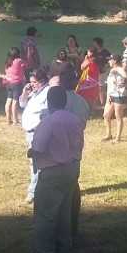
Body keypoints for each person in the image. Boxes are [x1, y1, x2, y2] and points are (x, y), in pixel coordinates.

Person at [26, 86, 84, 253]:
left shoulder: (48, 122)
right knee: (64, 210)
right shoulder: (75, 120)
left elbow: (38, 148)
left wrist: (30, 152)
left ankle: (45, 252)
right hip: (72, 168)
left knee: (46, 213)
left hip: (53, 171)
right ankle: (64, 247)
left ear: (49, 101)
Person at [49, 74, 87, 237]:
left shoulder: (63, 102)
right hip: (76, 145)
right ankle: (73, 225)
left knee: (59, 191)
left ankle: (60, 227)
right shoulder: (82, 101)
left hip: (60, 147)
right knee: (73, 185)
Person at [19, 68, 50, 204]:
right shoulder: (35, 92)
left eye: (34, 82)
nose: (31, 84)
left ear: (42, 81)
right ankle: (37, 190)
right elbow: (22, 104)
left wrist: (40, 127)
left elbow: (47, 112)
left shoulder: (47, 92)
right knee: (34, 162)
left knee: (36, 162)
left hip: (37, 131)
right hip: (30, 132)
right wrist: (25, 92)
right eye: (30, 81)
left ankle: (33, 191)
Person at [103, 54, 127, 143]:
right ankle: (108, 134)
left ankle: (118, 137)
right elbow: (109, 84)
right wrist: (107, 95)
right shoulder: (111, 71)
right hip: (111, 95)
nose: (108, 61)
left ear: (115, 61)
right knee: (106, 115)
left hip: (119, 95)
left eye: (110, 60)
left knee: (118, 116)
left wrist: (123, 84)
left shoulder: (121, 70)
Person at [2, 47, 25, 125]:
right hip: (16, 83)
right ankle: (15, 120)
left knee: (9, 100)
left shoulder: (7, 61)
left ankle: (8, 119)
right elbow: (26, 65)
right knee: (15, 101)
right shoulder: (19, 61)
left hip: (8, 82)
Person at [75, 48, 101, 116]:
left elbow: (82, 67)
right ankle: (92, 111)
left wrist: (85, 59)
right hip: (95, 77)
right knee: (93, 95)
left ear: (91, 53)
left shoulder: (89, 60)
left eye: (88, 52)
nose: (87, 53)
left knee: (84, 93)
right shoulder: (97, 60)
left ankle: (86, 110)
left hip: (89, 77)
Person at [91, 37, 111, 105]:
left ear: (98, 44)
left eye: (94, 43)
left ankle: (102, 102)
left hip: (102, 73)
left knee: (101, 87)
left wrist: (106, 67)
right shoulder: (93, 51)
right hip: (93, 72)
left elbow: (111, 60)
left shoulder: (105, 52)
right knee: (94, 87)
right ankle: (95, 101)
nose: (93, 44)